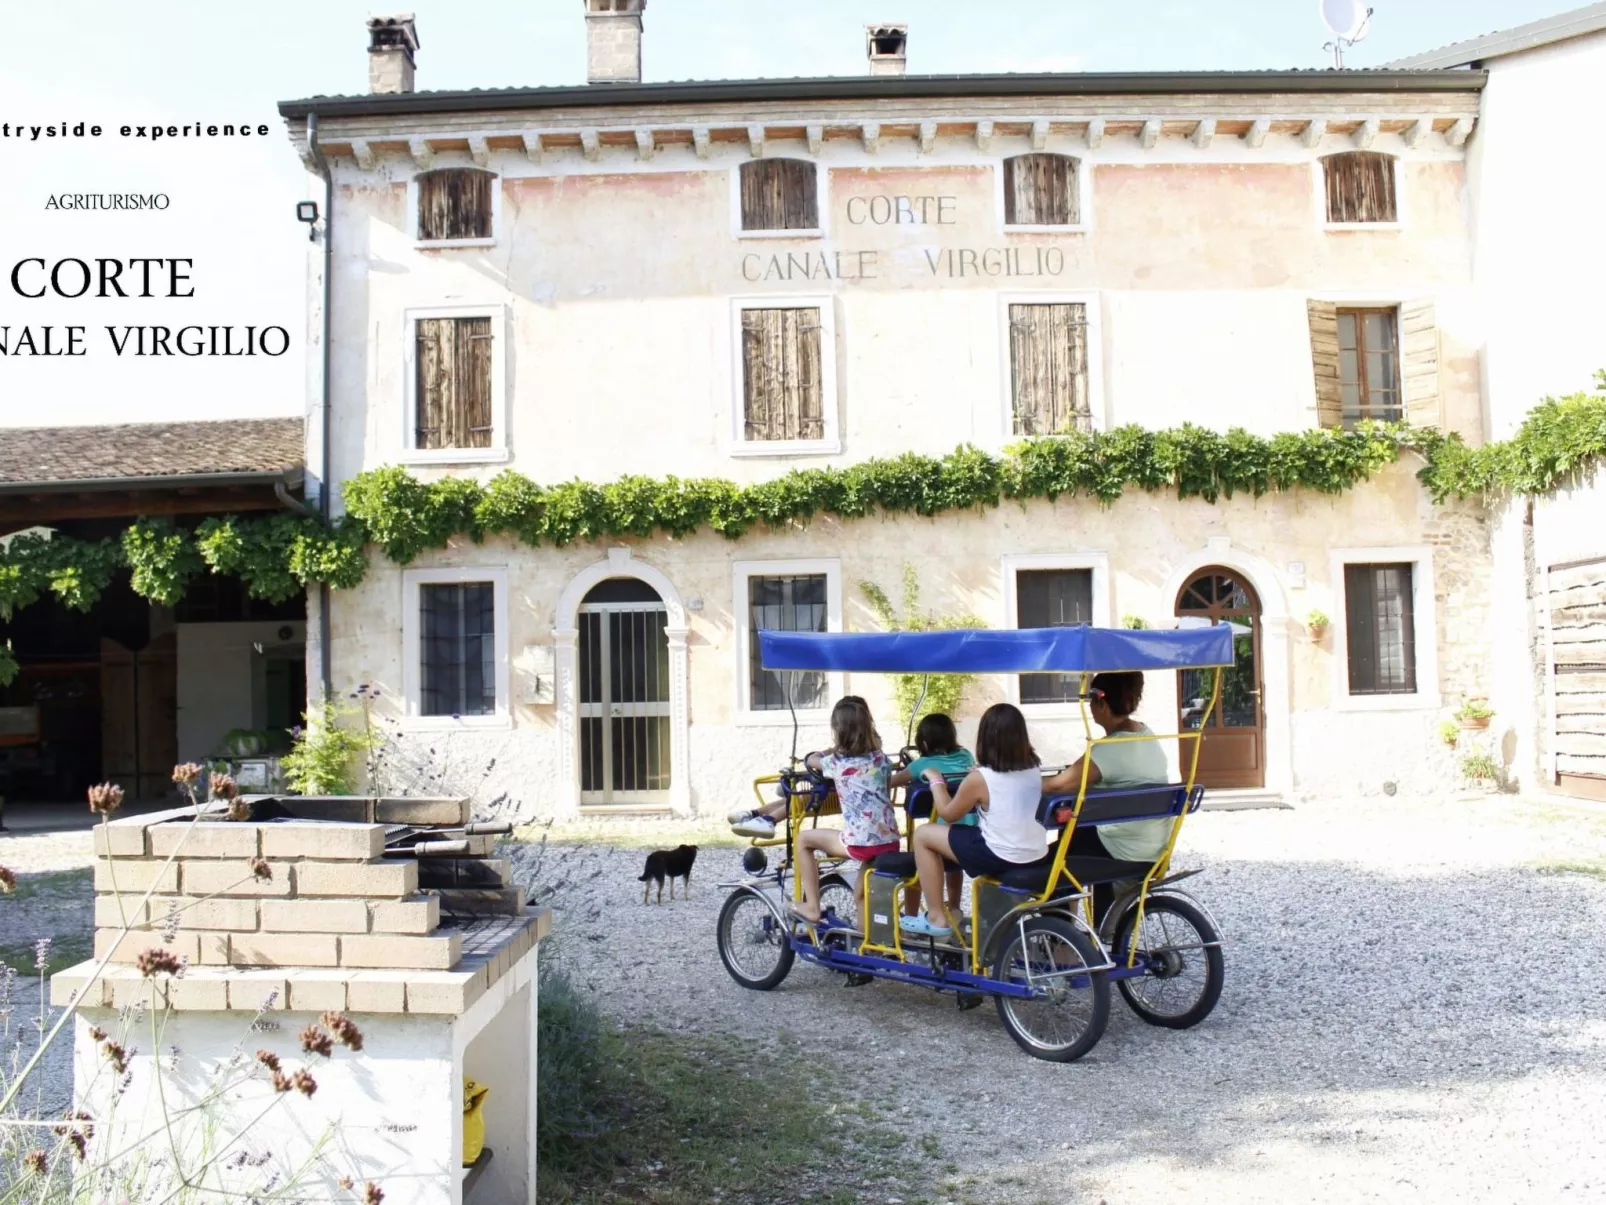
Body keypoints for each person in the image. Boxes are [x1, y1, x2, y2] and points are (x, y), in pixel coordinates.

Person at [900, 703, 1050, 939]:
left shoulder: (980, 779)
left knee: (922, 835)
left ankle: (937, 916)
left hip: (997, 853)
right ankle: (953, 907)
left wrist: (936, 781)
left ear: (986, 738)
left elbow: (949, 814)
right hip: (1034, 852)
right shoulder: (1033, 769)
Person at [1039, 671, 1169, 922]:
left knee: (1053, 862)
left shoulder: (1109, 749)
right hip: (1153, 844)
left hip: (1122, 848)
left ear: (1103, 704)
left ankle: (1059, 942)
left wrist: (1014, 781)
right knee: (1076, 835)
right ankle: (1096, 927)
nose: (1089, 707)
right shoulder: (1147, 734)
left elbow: (1056, 786)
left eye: (1091, 701)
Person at [788, 696, 901, 925]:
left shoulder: (837, 763)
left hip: (860, 843)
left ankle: (811, 907)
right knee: (860, 893)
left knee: (803, 839)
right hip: (889, 840)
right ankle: (868, 945)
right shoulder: (881, 759)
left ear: (839, 731)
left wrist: (826, 751)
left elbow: (811, 760)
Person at [888, 713, 976, 920]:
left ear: (924, 742)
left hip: (943, 836)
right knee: (954, 867)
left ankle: (910, 917)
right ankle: (954, 907)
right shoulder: (966, 756)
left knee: (917, 861)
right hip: (970, 830)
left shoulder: (923, 764)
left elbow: (892, 781)